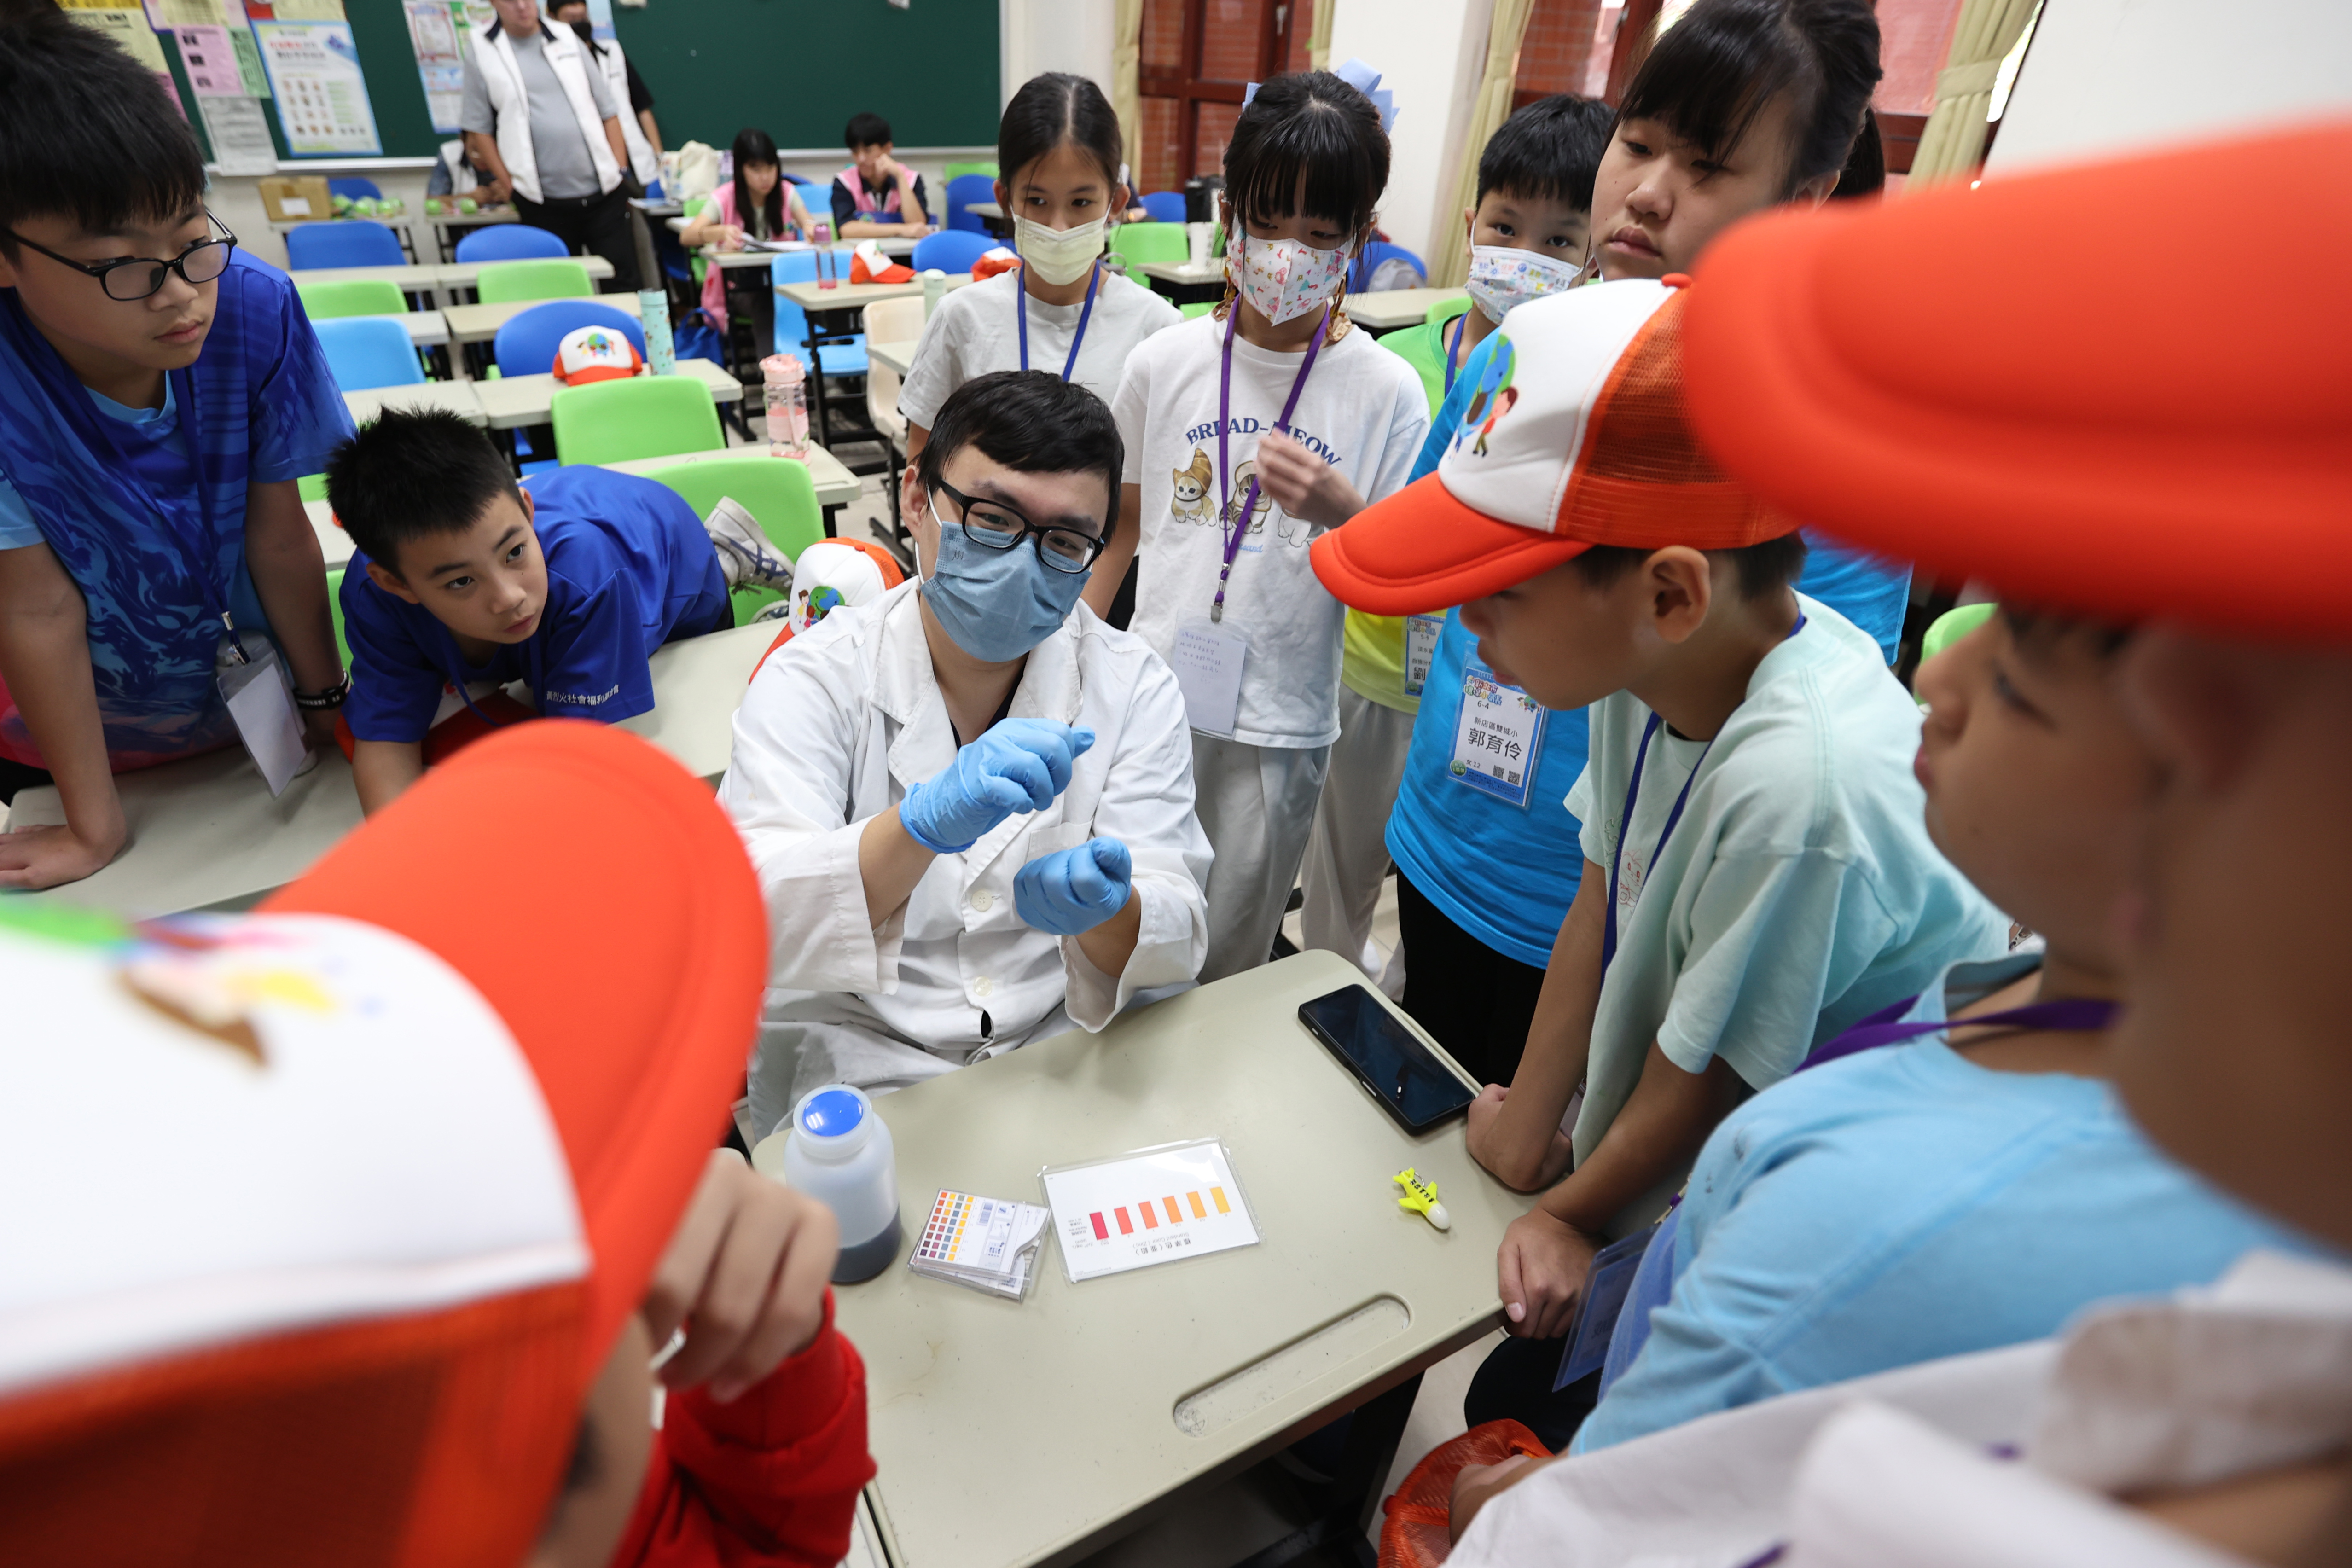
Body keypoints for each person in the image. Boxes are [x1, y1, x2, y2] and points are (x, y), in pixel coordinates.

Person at [1445, 118, 2352, 1568]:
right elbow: (1606, 900)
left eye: (2036, 656)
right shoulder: (2049, 1034)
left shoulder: (1873, 1218)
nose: (1932, 668)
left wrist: (1536, 1503)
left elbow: (1587, 1521)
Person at [1310, 279, 2008, 1419]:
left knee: (1524, 1402)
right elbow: (1595, 890)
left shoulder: (1799, 786)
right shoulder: (1652, 661)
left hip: (1799, 1192)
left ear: (1669, 590)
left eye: (1496, 595)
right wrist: (1525, 1127)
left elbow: (1708, 1076)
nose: (1467, 625)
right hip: (1691, 1118)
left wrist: (1568, 1213)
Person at [0, 720, 873, 1567]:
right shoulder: (502, 1445)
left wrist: (780, 1356)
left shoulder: (465, 1453)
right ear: (536, 1471)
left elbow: (741, 1541)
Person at [1488, 604, 2311, 1459]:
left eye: (2014, 687)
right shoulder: (2016, 995)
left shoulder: (1863, 1213)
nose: (1931, 679)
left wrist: (1498, 1501)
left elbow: (1620, 1499)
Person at [1379, 0, 1905, 1092]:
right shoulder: (1527, 343)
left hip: (1616, 916)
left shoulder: (1838, 457)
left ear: (1799, 201)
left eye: (1706, 166)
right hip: (1442, 831)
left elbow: (1781, 729)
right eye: (1637, 141)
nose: (1646, 192)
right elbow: (1439, 563)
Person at [719, 372, 1211, 1138]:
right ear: (916, 500)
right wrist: (916, 828)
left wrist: (1110, 912)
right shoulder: (814, 675)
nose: (1022, 562)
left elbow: (1175, 919)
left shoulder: (1132, 683)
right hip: (865, 1053)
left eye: (1063, 540)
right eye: (990, 518)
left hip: (1063, 1040)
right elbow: (745, 918)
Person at [0, 7, 349, 892]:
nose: (183, 296)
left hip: (258, 727)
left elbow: (279, 535)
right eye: (128, 267)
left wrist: (323, 712)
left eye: (192, 241)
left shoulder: (254, 308)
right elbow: (36, 610)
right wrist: (93, 825)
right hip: (73, 755)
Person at [1111, 69, 1429, 982]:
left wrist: (1340, 509)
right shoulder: (1164, 361)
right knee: (1129, 934)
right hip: (1155, 699)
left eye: (1321, 234)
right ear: (1229, 214)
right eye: (1267, 221)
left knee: (1228, 958)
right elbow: (1128, 525)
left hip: (1282, 723)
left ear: (1359, 240)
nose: (1288, 252)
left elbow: (1397, 584)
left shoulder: (1385, 391)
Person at [1300, 93, 1615, 996]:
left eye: (1558, 241)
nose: (1524, 257)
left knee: (1432, 884)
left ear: (1592, 252)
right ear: (1469, 222)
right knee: (1348, 867)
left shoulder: (1576, 388)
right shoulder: (1406, 367)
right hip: (1376, 663)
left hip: (1491, 685)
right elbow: (1400, 537)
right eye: (1507, 227)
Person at [325, 408, 790, 816]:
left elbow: (581, 765)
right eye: (462, 581)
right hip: (575, 546)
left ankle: (725, 555)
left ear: (527, 513)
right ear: (396, 582)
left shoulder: (588, 578)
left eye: (514, 553)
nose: (508, 596)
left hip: (664, 557)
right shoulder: (374, 596)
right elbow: (386, 742)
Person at [899, 73, 1181, 622]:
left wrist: (1075, 631)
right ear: (1005, 199)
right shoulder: (963, 317)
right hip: (975, 583)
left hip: (1099, 589)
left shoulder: (1157, 330)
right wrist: (949, 588)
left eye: (1081, 202)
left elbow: (1134, 511)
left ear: (1116, 202)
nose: (1058, 225)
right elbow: (922, 467)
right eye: (1037, 200)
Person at [461, 0, 641, 291]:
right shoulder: (482, 49)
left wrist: (619, 169)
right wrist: (509, 186)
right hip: (541, 201)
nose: (522, 7)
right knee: (561, 289)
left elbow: (608, 110)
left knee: (624, 285)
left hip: (604, 195)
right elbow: (479, 129)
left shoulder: (567, 36)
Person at [679, 127, 817, 356]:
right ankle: (775, 374)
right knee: (766, 302)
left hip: (781, 281)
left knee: (803, 298)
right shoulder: (725, 196)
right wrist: (718, 232)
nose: (765, 177)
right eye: (755, 169)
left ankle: (811, 367)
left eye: (771, 168)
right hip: (739, 287)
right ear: (740, 169)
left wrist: (811, 228)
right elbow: (687, 236)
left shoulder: (786, 192)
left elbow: (809, 223)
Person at [547, 0, 661, 192]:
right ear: (553, 19)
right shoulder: (552, 63)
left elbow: (642, 107)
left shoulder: (612, 52)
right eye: (571, 20)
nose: (579, 24)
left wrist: (660, 157)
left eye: (582, 18)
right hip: (592, 170)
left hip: (638, 163)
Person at [831, 112, 932, 239]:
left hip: (904, 256)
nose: (861, 159)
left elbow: (918, 225)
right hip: (861, 255)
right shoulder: (844, 182)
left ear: (887, 149)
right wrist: (901, 229)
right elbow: (846, 229)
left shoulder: (911, 179)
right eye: (855, 152)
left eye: (868, 151)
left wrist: (900, 178)